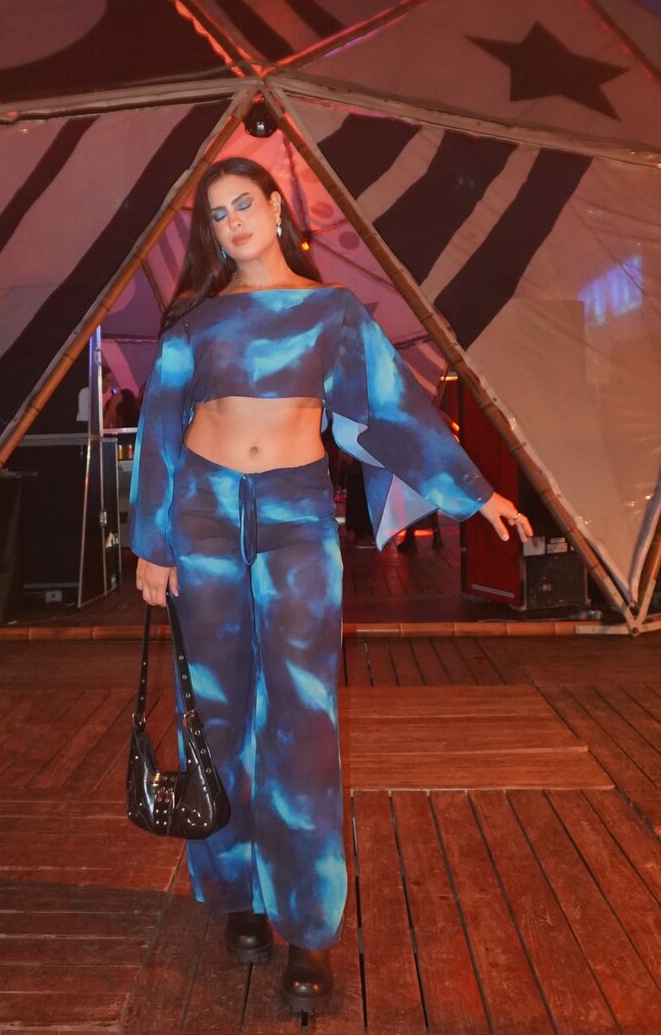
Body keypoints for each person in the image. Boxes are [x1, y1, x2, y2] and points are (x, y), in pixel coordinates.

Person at [128, 157, 532, 1015]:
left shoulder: (332, 311)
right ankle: (236, 892)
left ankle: (306, 926)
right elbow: (160, 430)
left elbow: (391, 410)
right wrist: (152, 543)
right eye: (217, 215)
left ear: (278, 208)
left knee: (303, 722)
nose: (233, 222)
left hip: (295, 519)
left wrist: (475, 493)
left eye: (245, 204)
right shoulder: (194, 318)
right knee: (216, 712)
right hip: (202, 519)